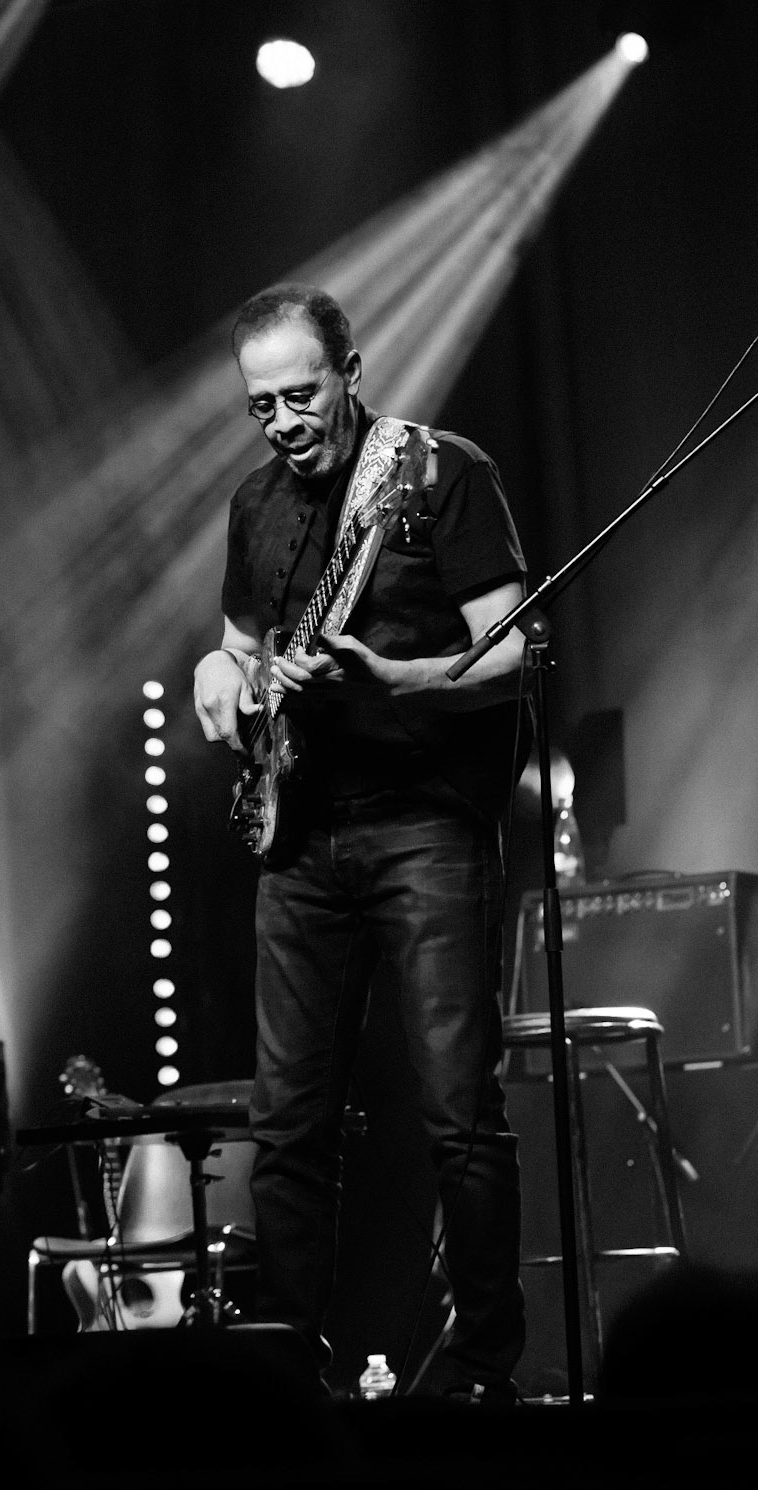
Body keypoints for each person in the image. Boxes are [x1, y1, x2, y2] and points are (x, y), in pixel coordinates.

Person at [193, 285, 529, 1399]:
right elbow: (236, 643)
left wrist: (398, 678)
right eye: (261, 406)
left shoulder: (436, 472)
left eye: (302, 393)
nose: (285, 420)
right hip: (301, 834)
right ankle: (292, 1367)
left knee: (459, 1110)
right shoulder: (256, 504)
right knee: (285, 1123)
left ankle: (482, 1359)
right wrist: (223, 683)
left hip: (426, 818)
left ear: (350, 366)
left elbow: (513, 649)